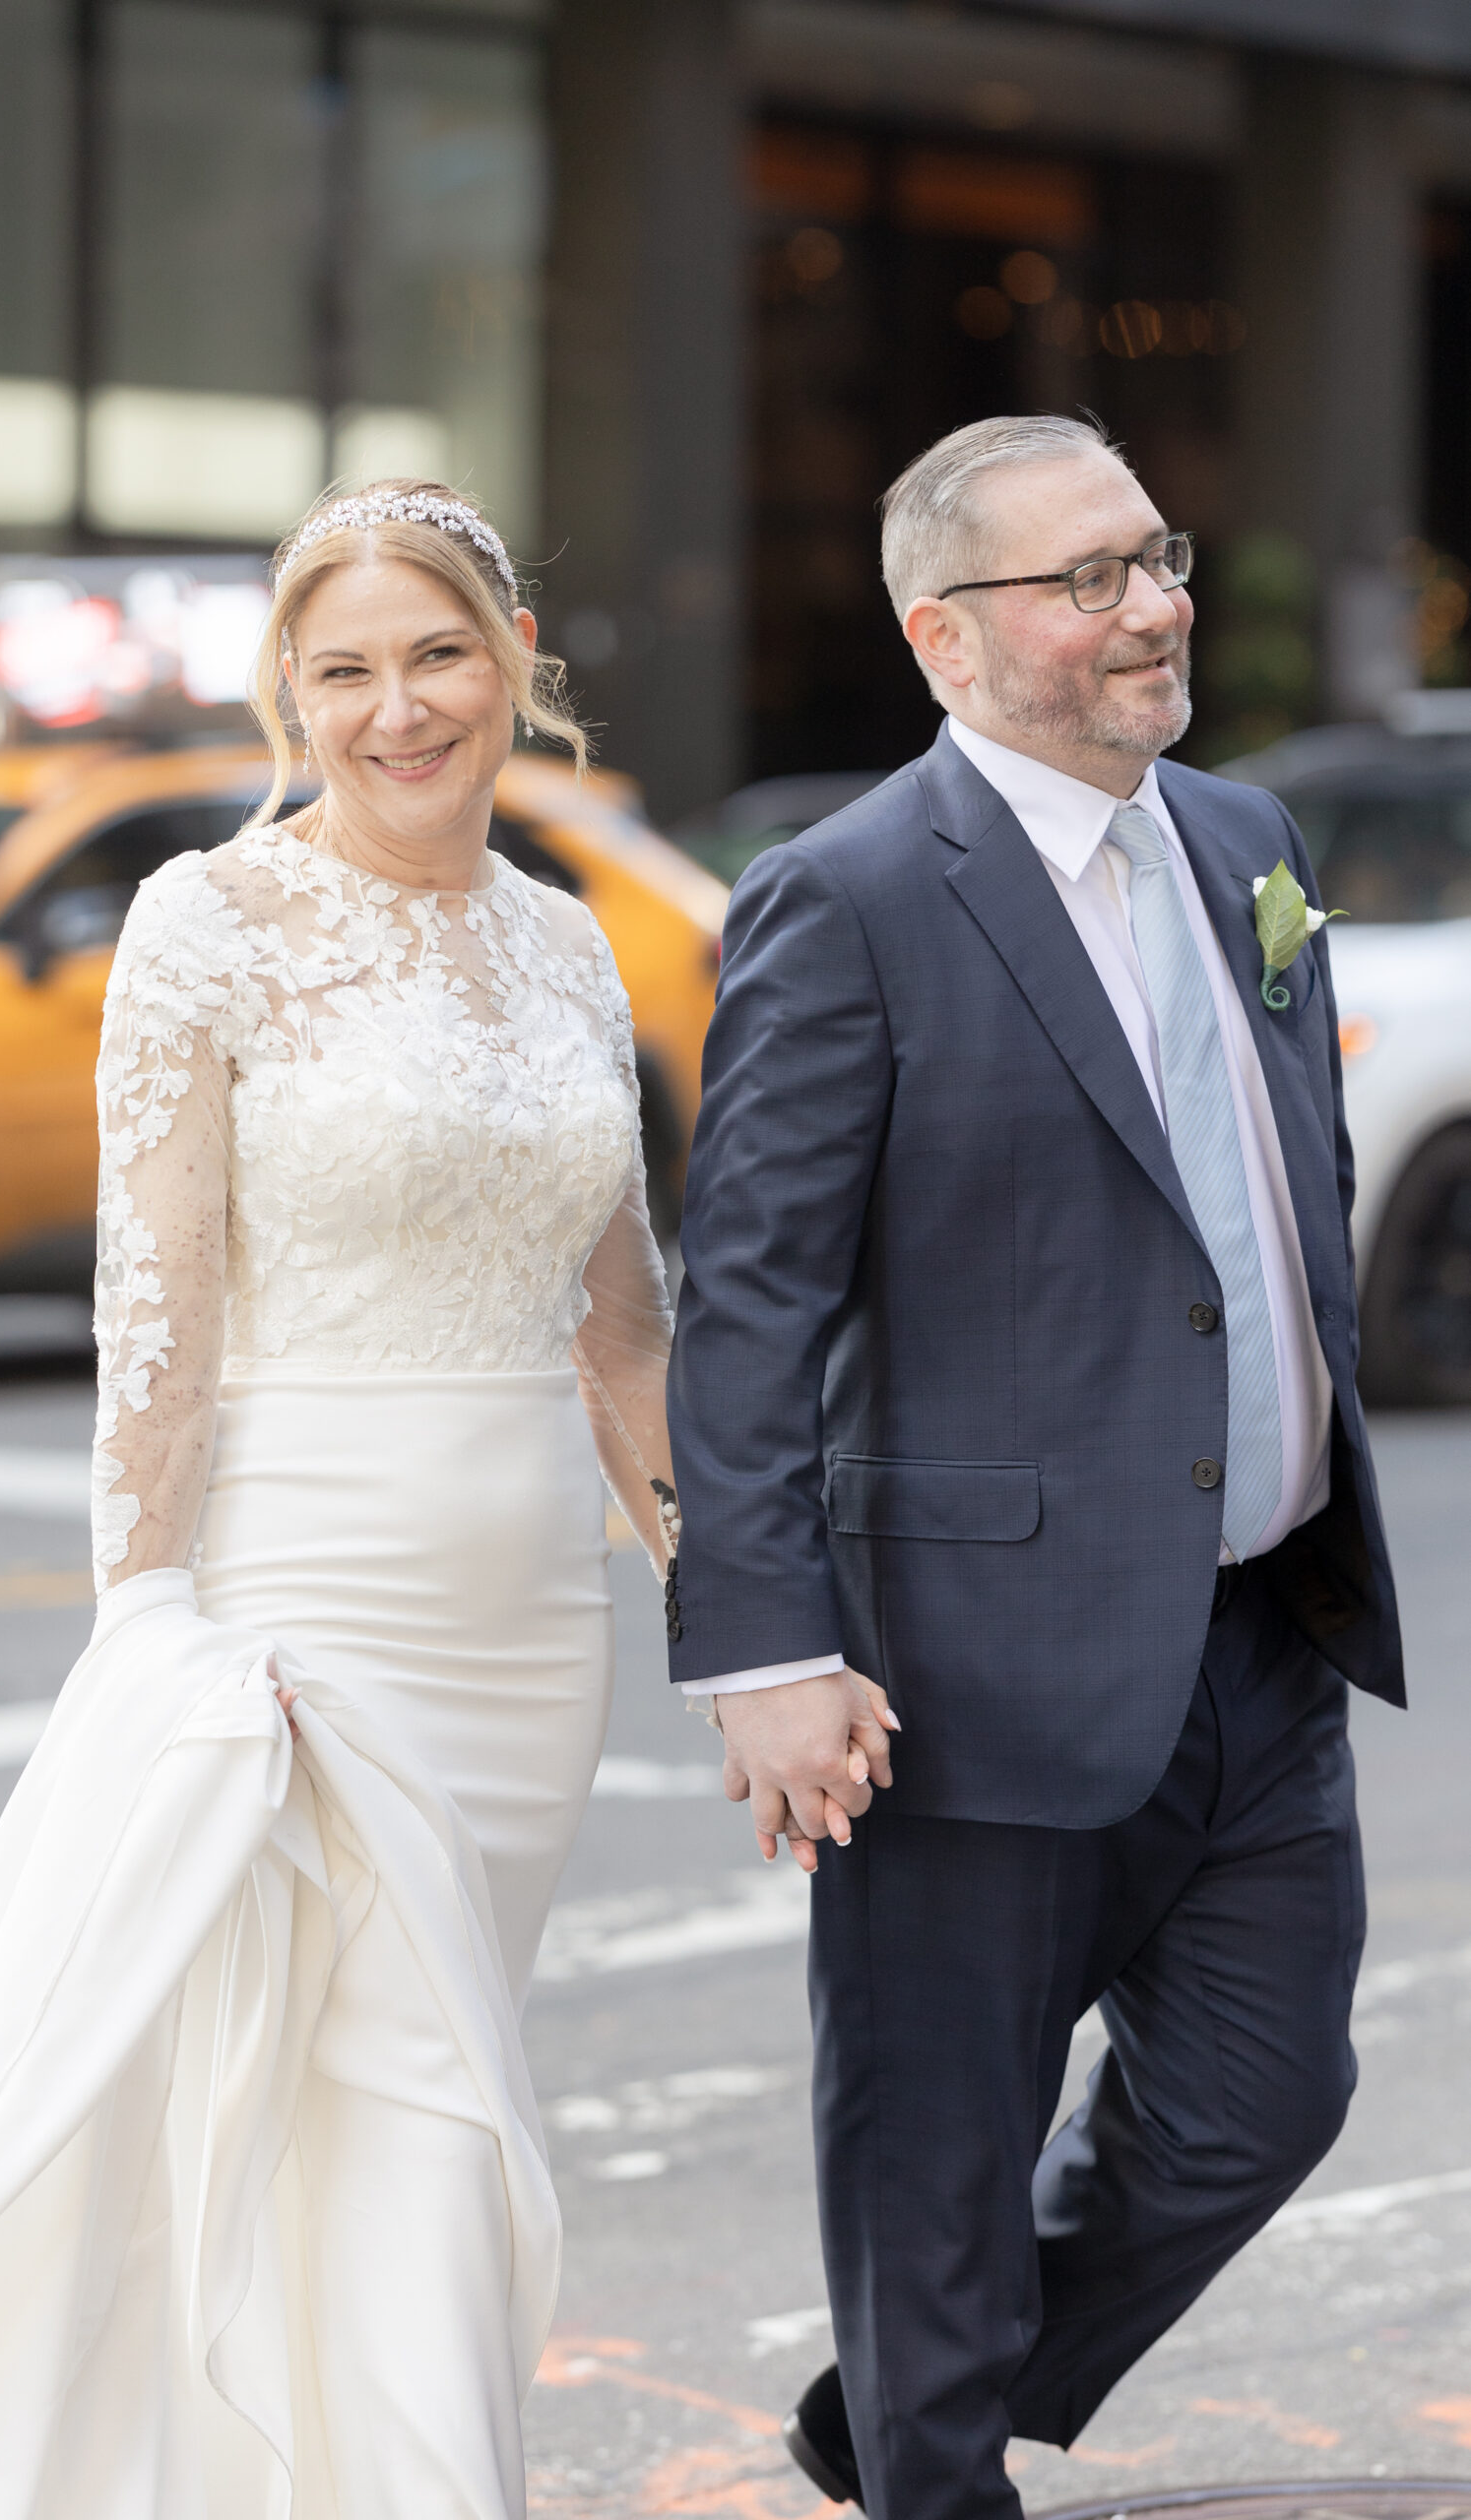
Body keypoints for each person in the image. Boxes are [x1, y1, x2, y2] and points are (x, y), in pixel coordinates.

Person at [0, 479, 678, 2520]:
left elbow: (624, 1325)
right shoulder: (207, 921)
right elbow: (158, 1302)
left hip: (528, 1642)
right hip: (306, 1626)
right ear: (291, 688)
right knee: (416, 2139)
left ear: (514, 658)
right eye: (344, 668)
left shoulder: (568, 942)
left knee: (370, 2154)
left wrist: (734, 1613)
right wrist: (147, 1618)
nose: (398, 707)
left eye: (437, 653)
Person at [666, 414, 1403, 2520]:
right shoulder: (849, 897)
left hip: (1262, 1620)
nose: (1151, 607)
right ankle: (928, 2464)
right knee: (936, 2139)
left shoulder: (1245, 837)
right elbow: (749, 1304)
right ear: (945, 637)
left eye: (1154, 557)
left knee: (1260, 2101)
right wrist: (767, 1646)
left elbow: (1282, 1181)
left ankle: (906, 2398)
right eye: (1085, 579)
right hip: (965, 1655)